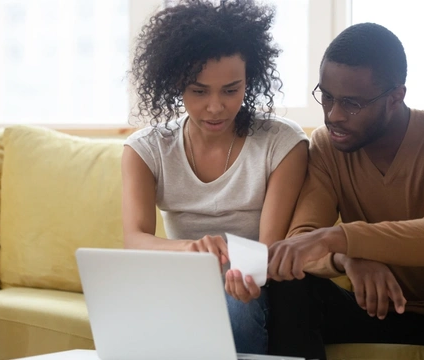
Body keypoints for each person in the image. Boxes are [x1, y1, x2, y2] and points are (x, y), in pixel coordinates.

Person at [225, 22, 424, 360]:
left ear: (395, 97)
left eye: (352, 104)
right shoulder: (326, 146)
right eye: (327, 97)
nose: (333, 115)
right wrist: (348, 258)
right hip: (377, 313)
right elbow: (302, 238)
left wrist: (339, 239)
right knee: (291, 286)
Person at [120, 0, 308, 355]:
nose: (216, 107)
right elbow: (134, 239)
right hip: (180, 282)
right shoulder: (145, 150)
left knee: (234, 302)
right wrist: (192, 249)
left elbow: (267, 249)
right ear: (175, 83)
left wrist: (241, 276)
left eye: (231, 89)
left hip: (250, 287)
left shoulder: (283, 144)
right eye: (199, 91)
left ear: (249, 79)